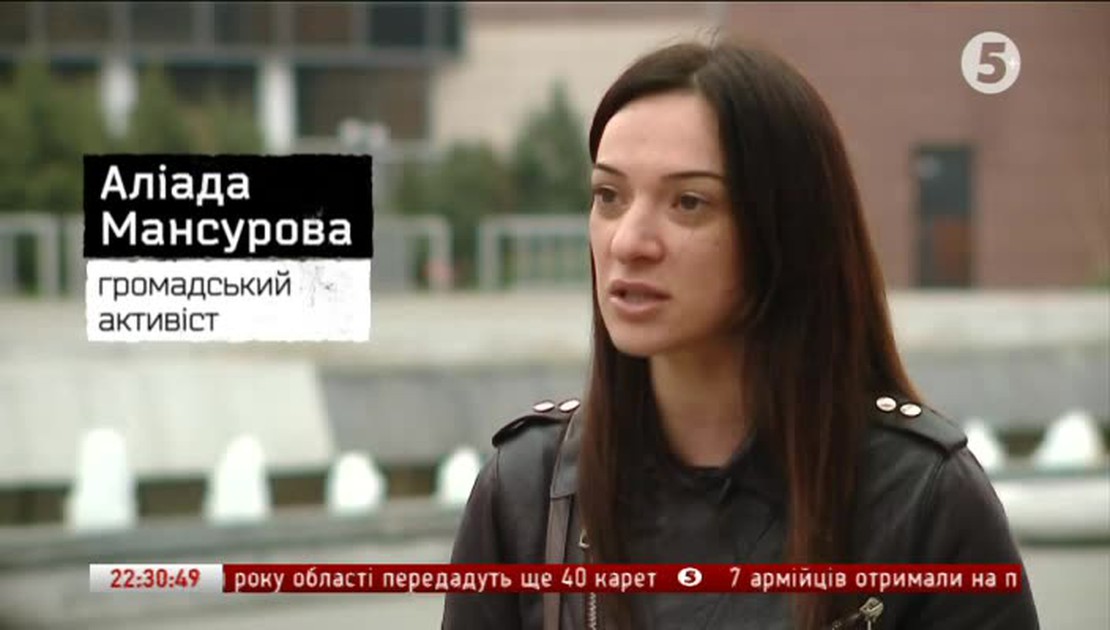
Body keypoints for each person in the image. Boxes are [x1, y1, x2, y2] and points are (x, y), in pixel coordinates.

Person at [441, 40, 1041, 630]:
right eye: (608, 196)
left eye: (689, 202)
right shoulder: (528, 491)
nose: (628, 242)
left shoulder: (920, 498)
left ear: (787, 230)